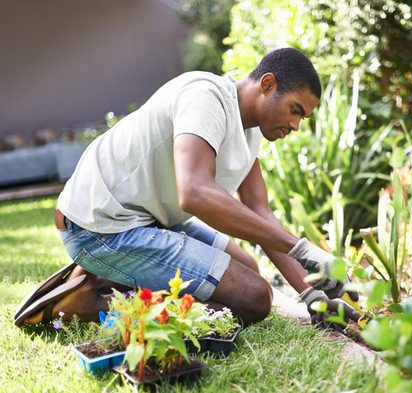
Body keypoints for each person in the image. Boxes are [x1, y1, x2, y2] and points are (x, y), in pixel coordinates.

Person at [15, 48, 360, 328]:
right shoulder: (206, 97)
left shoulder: (250, 131)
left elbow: (259, 211)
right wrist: (304, 250)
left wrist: (311, 294)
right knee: (254, 298)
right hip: (100, 227)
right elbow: (194, 193)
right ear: (267, 84)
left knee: (247, 269)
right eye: (295, 110)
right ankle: (91, 304)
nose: (296, 125)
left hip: (148, 218)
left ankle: (104, 278)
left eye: (303, 117)